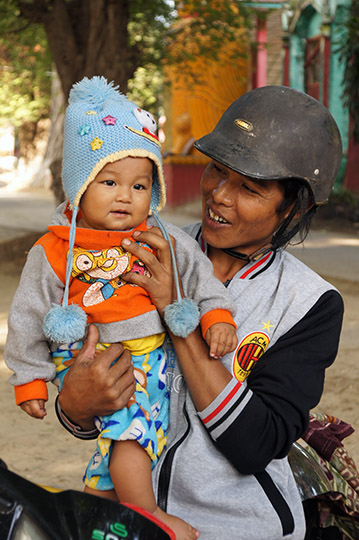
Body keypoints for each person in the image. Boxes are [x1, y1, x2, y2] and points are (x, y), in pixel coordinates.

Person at [55, 85, 344, 540]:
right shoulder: (142, 247)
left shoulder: (309, 303)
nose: (218, 195)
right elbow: (102, 395)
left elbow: (255, 445)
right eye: (216, 170)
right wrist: (73, 405)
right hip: (131, 517)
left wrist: (177, 311)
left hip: (240, 529)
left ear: (295, 207)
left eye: (248, 187)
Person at [5, 76, 241, 540]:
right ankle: (146, 516)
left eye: (139, 185)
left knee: (120, 448)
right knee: (131, 435)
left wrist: (216, 316)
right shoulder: (54, 249)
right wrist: (29, 378)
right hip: (96, 357)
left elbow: (199, 277)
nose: (124, 196)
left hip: (152, 352)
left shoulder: (160, 236)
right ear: (78, 185)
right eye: (109, 182)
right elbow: (29, 314)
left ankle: (103, 519)